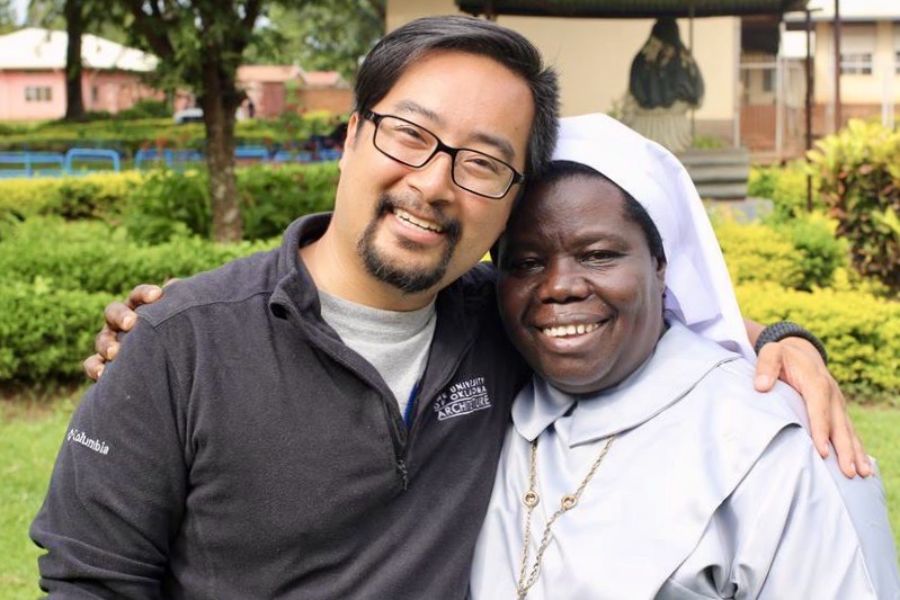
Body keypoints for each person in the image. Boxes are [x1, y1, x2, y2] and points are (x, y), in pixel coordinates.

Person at [33, 15, 865, 600]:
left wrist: (783, 340)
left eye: (481, 162)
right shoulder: (180, 344)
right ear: (353, 133)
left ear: (507, 199)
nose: (432, 182)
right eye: (409, 134)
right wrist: (157, 341)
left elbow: (623, 308)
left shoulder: (500, 324)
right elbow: (88, 578)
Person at [469, 114, 900, 599]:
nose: (559, 287)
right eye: (525, 262)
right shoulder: (479, 373)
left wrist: (786, 337)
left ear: (660, 264)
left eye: (598, 255)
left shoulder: (778, 448)